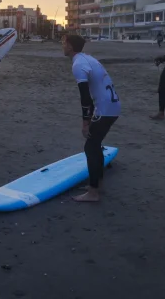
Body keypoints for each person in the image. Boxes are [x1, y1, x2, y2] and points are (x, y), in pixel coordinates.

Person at [63, 34, 121, 202]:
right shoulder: (87, 59)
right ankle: (98, 183)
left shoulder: (78, 64)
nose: (62, 45)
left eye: (63, 42)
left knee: (90, 147)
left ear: (70, 47)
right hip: (112, 105)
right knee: (95, 145)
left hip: (106, 109)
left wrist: (85, 122)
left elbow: (85, 97)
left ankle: (93, 193)